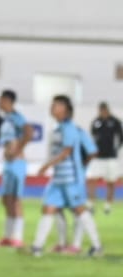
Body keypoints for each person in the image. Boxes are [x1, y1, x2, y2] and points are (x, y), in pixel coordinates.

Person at [32, 95, 102, 258]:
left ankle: (96, 246)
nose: (52, 108)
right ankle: (37, 247)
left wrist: (46, 166)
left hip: (71, 179)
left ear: (65, 109)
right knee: (48, 208)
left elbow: (67, 152)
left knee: (79, 210)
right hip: (58, 178)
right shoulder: (58, 129)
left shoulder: (70, 129)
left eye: (56, 105)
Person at [0, 89, 33, 248]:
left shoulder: (17, 118)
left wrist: (18, 149)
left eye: (0, 100)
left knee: (16, 199)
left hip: (17, 162)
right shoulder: (6, 119)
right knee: (6, 198)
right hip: (8, 163)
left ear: (7, 101)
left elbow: (29, 132)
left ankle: (18, 236)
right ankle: (8, 236)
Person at [89, 101, 121, 214]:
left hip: (111, 156)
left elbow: (120, 137)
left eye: (103, 110)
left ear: (107, 110)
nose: (102, 112)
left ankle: (108, 205)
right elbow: (92, 136)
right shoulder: (96, 122)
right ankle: (91, 203)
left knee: (111, 181)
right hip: (98, 157)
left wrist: (116, 149)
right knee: (92, 180)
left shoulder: (115, 121)